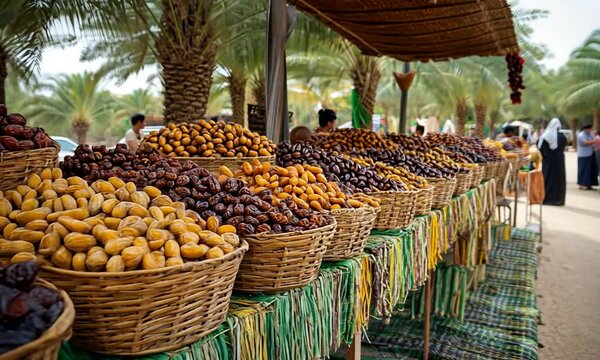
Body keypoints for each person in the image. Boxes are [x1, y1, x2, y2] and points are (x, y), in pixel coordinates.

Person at [538, 118, 567, 206]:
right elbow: (564, 145)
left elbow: (539, 147)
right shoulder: (562, 136)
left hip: (547, 162)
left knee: (548, 179)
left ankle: (547, 199)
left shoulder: (545, 136)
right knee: (559, 181)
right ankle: (559, 200)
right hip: (559, 162)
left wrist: (546, 156)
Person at [577, 124, 598, 190]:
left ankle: (589, 184)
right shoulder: (581, 135)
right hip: (583, 155)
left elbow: (594, 139)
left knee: (591, 170)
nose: (591, 130)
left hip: (591, 153)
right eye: (590, 129)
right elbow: (585, 143)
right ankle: (582, 184)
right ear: (586, 129)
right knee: (583, 170)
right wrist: (594, 141)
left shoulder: (591, 134)